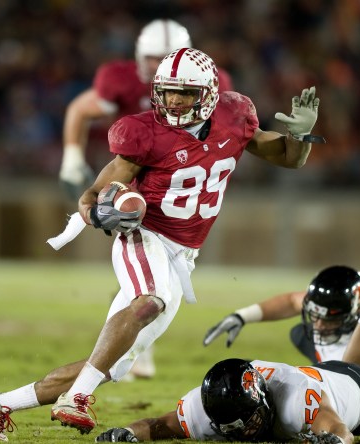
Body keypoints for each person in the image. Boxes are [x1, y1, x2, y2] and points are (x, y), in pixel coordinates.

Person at [0, 47, 325, 440]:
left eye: (185, 92)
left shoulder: (235, 116)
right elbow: (90, 197)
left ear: (208, 93)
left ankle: (0, 404)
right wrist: (100, 215)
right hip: (143, 234)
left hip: (183, 254)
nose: (174, 100)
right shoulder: (145, 132)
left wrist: (300, 135)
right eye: (168, 90)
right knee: (151, 298)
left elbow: (289, 158)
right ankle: (78, 398)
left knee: (115, 362)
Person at [94, 245, 360, 443]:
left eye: (248, 422)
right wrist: (125, 433)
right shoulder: (205, 405)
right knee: (333, 355)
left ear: (262, 399)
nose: (245, 434)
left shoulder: (298, 403)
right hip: (334, 370)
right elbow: (157, 426)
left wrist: (331, 439)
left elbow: (340, 432)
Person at [58, 19, 233, 380]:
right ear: (139, 56)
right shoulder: (119, 77)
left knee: (147, 286)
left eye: (165, 57)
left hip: (176, 174)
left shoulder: (211, 82)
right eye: (153, 58)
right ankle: (113, 359)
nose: (158, 65)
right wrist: (72, 159)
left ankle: (121, 353)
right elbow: (79, 109)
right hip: (132, 172)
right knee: (148, 284)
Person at [203, 262, 360, 383]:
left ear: (355, 313)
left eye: (328, 320)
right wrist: (242, 316)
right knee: (299, 332)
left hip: (359, 389)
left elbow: (343, 389)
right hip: (343, 365)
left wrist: (260, 372)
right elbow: (292, 301)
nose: (318, 326)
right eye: (316, 316)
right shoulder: (353, 303)